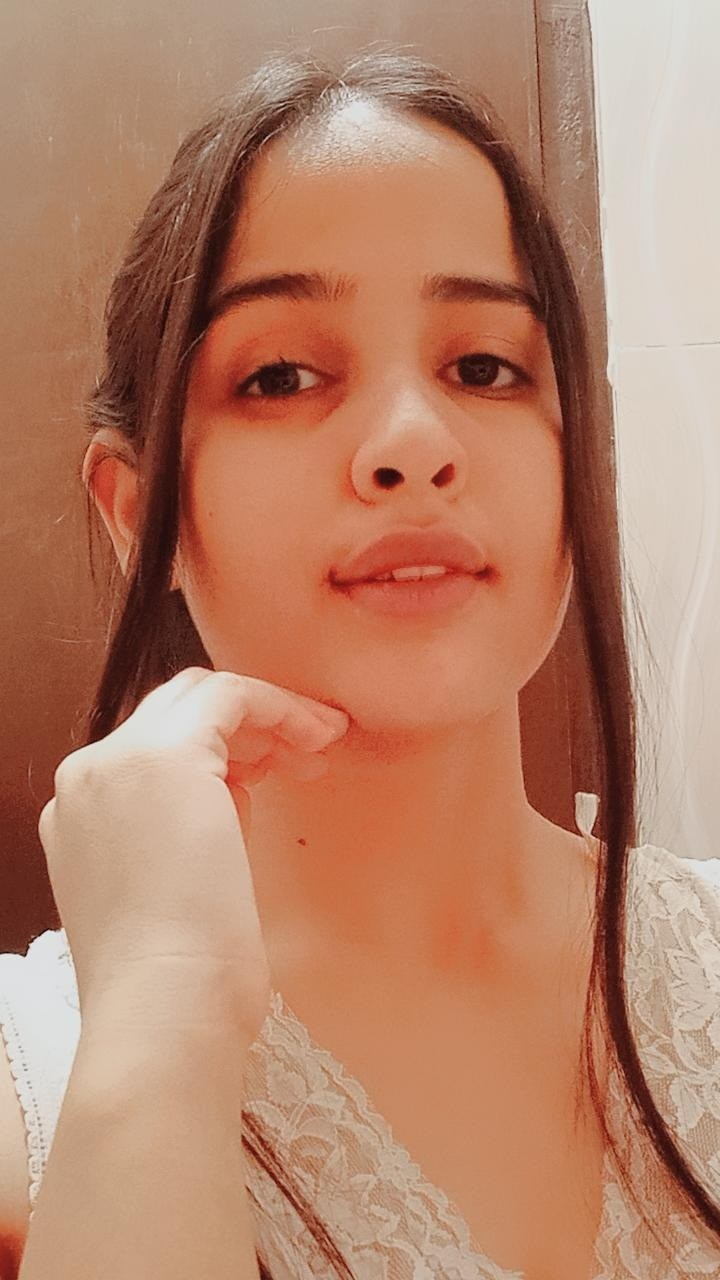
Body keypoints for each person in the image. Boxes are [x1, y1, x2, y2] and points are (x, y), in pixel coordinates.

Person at [0, 47, 718, 1280]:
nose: (413, 442)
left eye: (483, 366)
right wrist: (161, 1017)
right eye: (280, 375)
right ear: (138, 514)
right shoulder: (32, 1078)